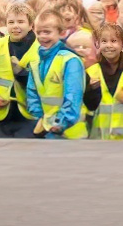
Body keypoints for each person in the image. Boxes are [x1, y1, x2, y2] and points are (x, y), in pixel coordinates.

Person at [26, 9, 87, 139]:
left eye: (47, 32)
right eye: (39, 32)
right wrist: (39, 117)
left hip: (70, 132)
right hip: (47, 130)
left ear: (61, 33)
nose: (42, 36)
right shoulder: (35, 61)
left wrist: (61, 122)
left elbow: (73, 95)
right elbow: (32, 92)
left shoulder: (70, 60)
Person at [0, 3, 39, 138]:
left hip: (29, 117)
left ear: (31, 25)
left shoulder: (40, 49)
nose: (15, 26)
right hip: (0, 116)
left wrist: (21, 73)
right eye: (11, 22)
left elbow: (42, 84)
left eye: (21, 22)